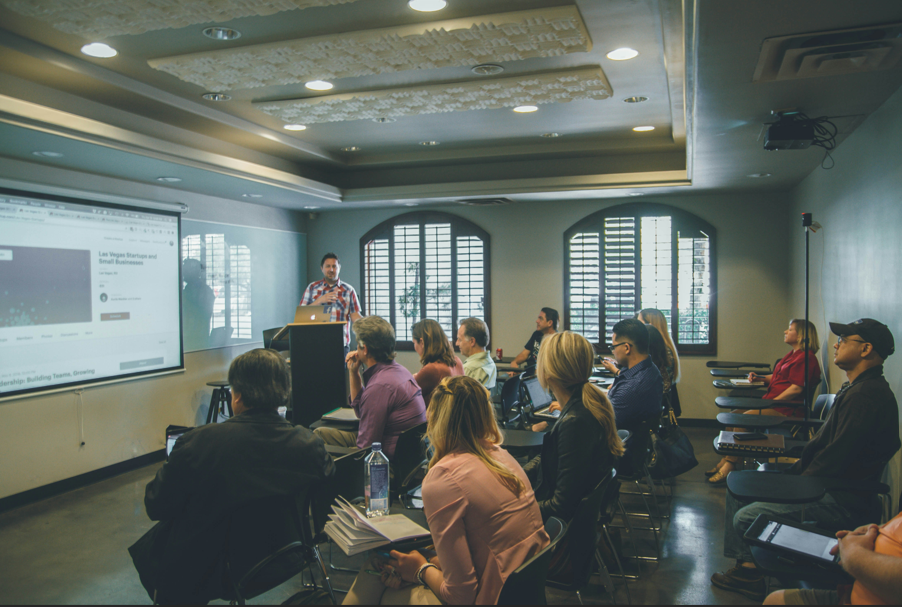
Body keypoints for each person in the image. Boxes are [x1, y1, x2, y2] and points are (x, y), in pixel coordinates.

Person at [711, 318, 900, 602]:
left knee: (745, 516)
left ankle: (751, 574)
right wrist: (788, 477)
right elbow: (824, 449)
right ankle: (748, 567)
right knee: (738, 485)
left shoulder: (867, 397)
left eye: (844, 340)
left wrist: (792, 484)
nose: (836, 345)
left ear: (866, 349)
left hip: (839, 497)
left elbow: (835, 459)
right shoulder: (855, 389)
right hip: (821, 482)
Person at [128, 349, 335, 604]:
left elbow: (156, 505)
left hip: (212, 571)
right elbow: (327, 475)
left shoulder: (198, 444)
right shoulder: (308, 444)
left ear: (236, 396)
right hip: (285, 556)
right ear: (284, 393)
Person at [343, 376, 550, 605]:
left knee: (383, 583)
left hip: (492, 596)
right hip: (517, 590)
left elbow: (461, 597)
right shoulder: (503, 457)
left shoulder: (444, 479)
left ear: (434, 420)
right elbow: (481, 548)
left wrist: (421, 570)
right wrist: (426, 564)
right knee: (383, 565)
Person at [523, 331, 624, 522]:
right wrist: (518, 474)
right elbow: (552, 455)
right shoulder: (584, 406)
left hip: (560, 532)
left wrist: (515, 509)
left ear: (549, 372)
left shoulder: (575, 422)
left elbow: (561, 506)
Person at [706, 319, 822, 485]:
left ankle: (729, 466)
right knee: (733, 417)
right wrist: (758, 378)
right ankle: (725, 461)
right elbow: (777, 378)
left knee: (742, 420)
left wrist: (771, 402)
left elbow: (797, 389)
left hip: (785, 410)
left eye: (790, 330)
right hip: (774, 404)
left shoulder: (806, 359)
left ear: (801, 335)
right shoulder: (792, 355)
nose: (785, 332)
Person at [314, 315, 426, 459]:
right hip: (406, 459)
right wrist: (353, 373)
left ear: (365, 349)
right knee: (320, 433)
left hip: (384, 464)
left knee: (317, 444)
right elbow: (362, 412)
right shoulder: (400, 371)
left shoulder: (380, 386)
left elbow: (365, 449)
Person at [763, 512, 902, 605]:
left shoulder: (853, 555)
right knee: (775, 600)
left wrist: (853, 553)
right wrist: (876, 532)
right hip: (854, 592)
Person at [602, 318, 663, 430]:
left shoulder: (633, 386)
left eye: (613, 347)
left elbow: (603, 422)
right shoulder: (647, 368)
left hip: (619, 442)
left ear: (626, 348)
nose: (613, 352)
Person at [300, 253, 362, 355]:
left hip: (340, 344)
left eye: (334, 266)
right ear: (322, 268)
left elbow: (355, 316)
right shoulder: (312, 287)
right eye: (328, 266)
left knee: (339, 371)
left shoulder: (348, 290)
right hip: (315, 343)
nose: (331, 269)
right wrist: (319, 301)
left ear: (339, 268)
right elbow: (301, 314)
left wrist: (370, 327)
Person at [411, 319, 463, 405]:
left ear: (422, 342)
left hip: (435, 417)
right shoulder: (457, 361)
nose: (415, 347)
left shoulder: (432, 369)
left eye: (414, 343)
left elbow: (406, 395)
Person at [637, 308, 681, 387]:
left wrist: (616, 371)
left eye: (639, 323)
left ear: (649, 326)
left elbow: (646, 379)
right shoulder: (665, 346)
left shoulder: (660, 349)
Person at [510, 307, 559, 372]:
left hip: (542, 377)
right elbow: (524, 354)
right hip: (529, 372)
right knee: (505, 380)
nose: (537, 321)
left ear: (549, 323)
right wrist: (514, 363)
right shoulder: (537, 334)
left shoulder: (558, 340)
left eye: (540, 318)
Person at [456, 317, 497, 391]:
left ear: (472, 341)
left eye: (460, 340)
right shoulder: (490, 362)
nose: (456, 343)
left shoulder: (468, 369)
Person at [181, 258, 214, 347]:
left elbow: (204, 314)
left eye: (185, 270)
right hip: (190, 339)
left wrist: (185, 301)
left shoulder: (205, 291)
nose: (183, 273)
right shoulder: (188, 290)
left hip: (196, 341)